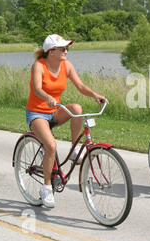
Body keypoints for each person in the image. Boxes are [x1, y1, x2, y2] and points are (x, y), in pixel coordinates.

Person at [26, 34, 107, 208]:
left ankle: (74, 150)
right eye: (63, 48)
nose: (66, 51)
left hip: (55, 111)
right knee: (51, 146)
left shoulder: (66, 65)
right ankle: (46, 187)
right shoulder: (39, 66)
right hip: (37, 113)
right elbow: (37, 89)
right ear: (51, 51)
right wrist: (47, 97)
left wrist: (95, 95)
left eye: (67, 48)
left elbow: (80, 86)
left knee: (77, 109)